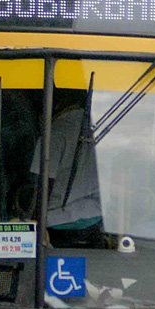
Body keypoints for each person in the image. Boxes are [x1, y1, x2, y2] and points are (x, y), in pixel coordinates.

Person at [30, 95, 105, 247]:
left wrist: (32, 221)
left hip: (57, 226)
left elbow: (43, 184)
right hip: (94, 219)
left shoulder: (54, 132)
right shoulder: (101, 124)